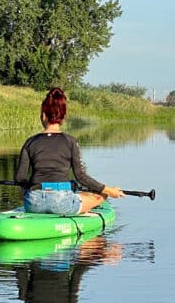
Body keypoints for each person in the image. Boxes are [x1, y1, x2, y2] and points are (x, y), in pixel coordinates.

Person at [15, 87, 123, 215]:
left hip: (33, 203)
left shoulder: (30, 142)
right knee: (101, 195)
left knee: (79, 194)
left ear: (43, 116)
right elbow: (81, 176)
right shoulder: (70, 141)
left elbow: (20, 178)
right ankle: (84, 211)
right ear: (64, 117)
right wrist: (109, 190)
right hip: (62, 203)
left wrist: (29, 192)